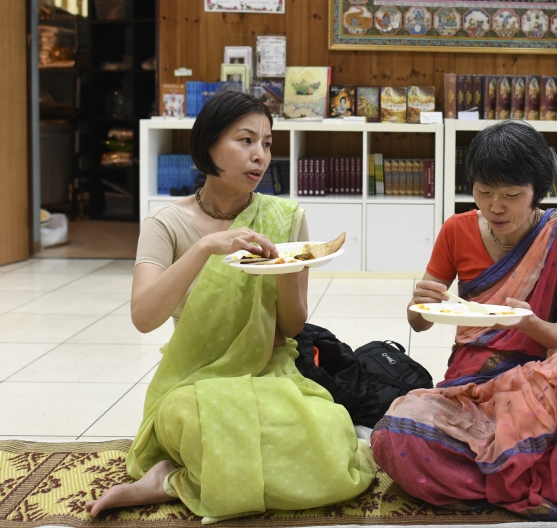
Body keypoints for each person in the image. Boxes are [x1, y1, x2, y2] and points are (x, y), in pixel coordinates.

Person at [85, 92, 374, 521]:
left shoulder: (286, 217)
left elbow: (292, 327)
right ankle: (174, 472)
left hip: (268, 367)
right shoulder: (166, 224)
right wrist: (204, 248)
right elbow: (144, 318)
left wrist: (283, 270)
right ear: (208, 146)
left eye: (268, 143)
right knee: (200, 421)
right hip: (193, 378)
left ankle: (174, 480)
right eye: (245, 141)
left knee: (331, 444)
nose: (260, 156)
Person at [370, 121, 557, 525]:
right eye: (483, 192)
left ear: (536, 192)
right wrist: (417, 306)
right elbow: (422, 322)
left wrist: (530, 325)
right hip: (471, 393)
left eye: (511, 195)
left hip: (541, 388)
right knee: (393, 435)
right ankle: (548, 474)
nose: (495, 206)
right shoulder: (456, 230)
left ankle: (546, 475)